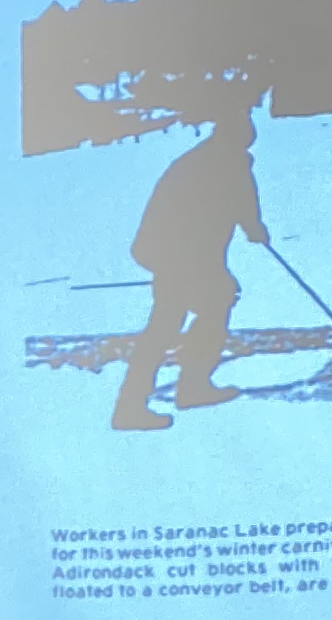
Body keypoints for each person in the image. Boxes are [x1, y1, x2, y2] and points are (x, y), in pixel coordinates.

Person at [113, 98, 269, 432]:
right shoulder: (224, 162)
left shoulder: (210, 158)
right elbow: (242, 205)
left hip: (181, 254)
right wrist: (255, 230)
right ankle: (169, 394)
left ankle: (174, 391)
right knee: (181, 319)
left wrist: (252, 228)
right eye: (243, 124)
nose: (249, 131)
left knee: (188, 315)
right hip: (182, 254)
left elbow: (241, 206)